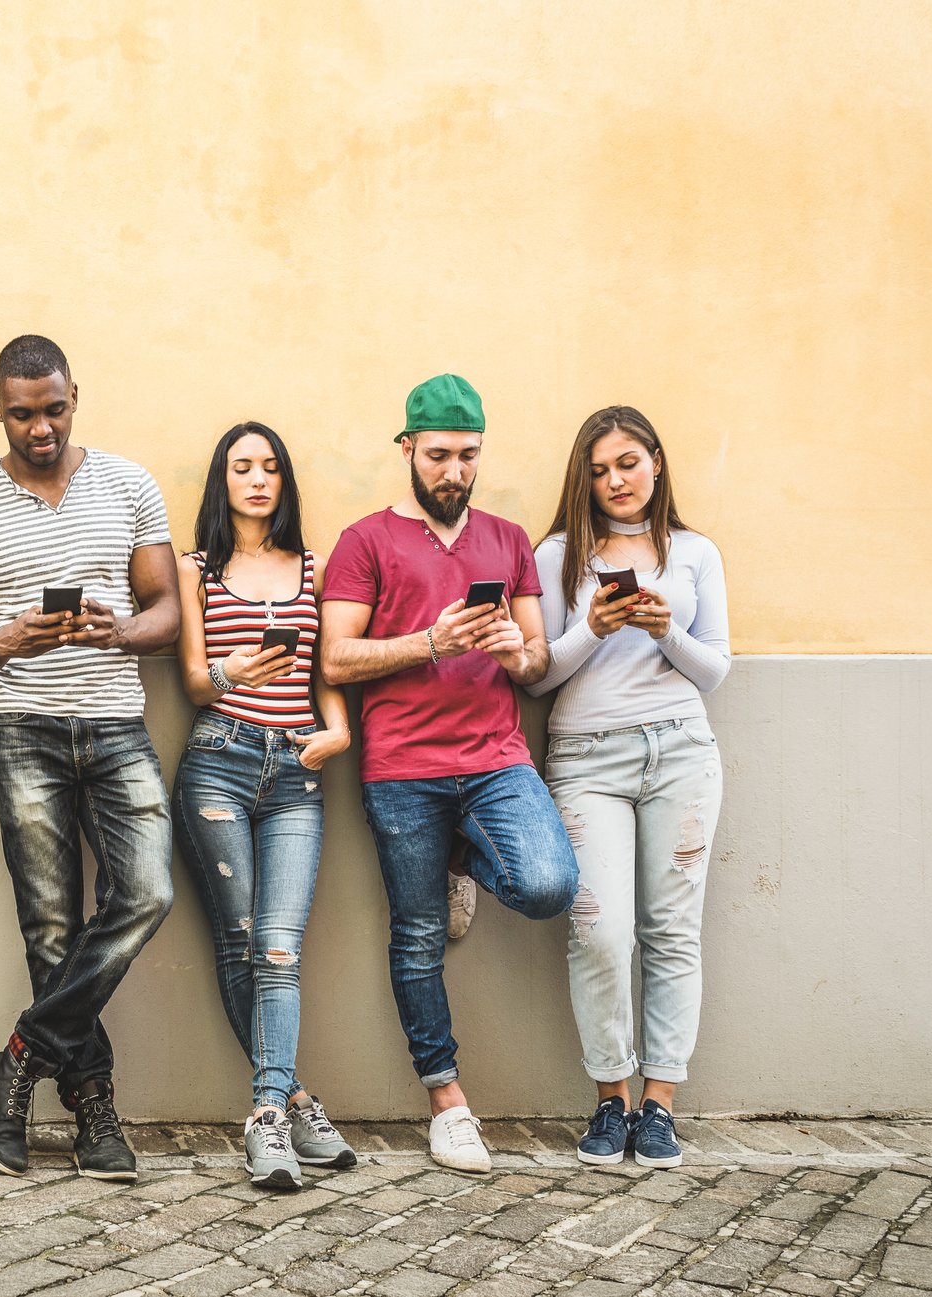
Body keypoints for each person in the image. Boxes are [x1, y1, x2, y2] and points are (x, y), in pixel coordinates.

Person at [0, 335, 180, 1181]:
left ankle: (16, 1058)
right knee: (49, 926)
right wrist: (7, 639)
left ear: (75, 396)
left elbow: (166, 611)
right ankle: (93, 1109)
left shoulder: (129, 483)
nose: (41, 427)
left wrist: (120, 629)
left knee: (146, 892)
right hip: (22, 727)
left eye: (54, 409)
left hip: (115, 723)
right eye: (22, 414)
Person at [319, 374, 578, 1174]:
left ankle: (460, 859)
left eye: (467, 455)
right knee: (417, 935)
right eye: (437, 455)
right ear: (406, 448)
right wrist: (429, 642)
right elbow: (335, 658)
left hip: (496, 759)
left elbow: (535, 659)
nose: (453, 471)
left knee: (547, 885)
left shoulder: (507, 538)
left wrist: (514, 652)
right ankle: (447, 1103)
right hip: (400, 769)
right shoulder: (363, 541)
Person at [527, 406, 730, 1169]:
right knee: (600, 929)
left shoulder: (695, 552)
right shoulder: (557, 554)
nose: (614, 480)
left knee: (672, 929)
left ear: (655, 461)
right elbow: (538, 675)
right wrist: (594, 626)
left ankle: (659, 1104)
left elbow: (714, 668)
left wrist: (661, 629)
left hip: (679, 751)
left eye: (627, 463)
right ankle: (610, 1096)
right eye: (598, 469)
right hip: (585, 758)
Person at [171, 422, 357, 1190]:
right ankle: (287, 1109)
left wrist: (338, 730)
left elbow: (325, 671)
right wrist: (232, 670)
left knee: (277, 948)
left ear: (284, 481)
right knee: (242, 938)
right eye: (241, 466)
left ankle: (273, 1112)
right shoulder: (196, 568)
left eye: (269, 467)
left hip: (296, 774)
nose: (256, 479)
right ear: (223, 479)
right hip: (219, 758)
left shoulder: (314, 568)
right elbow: (191, 679)